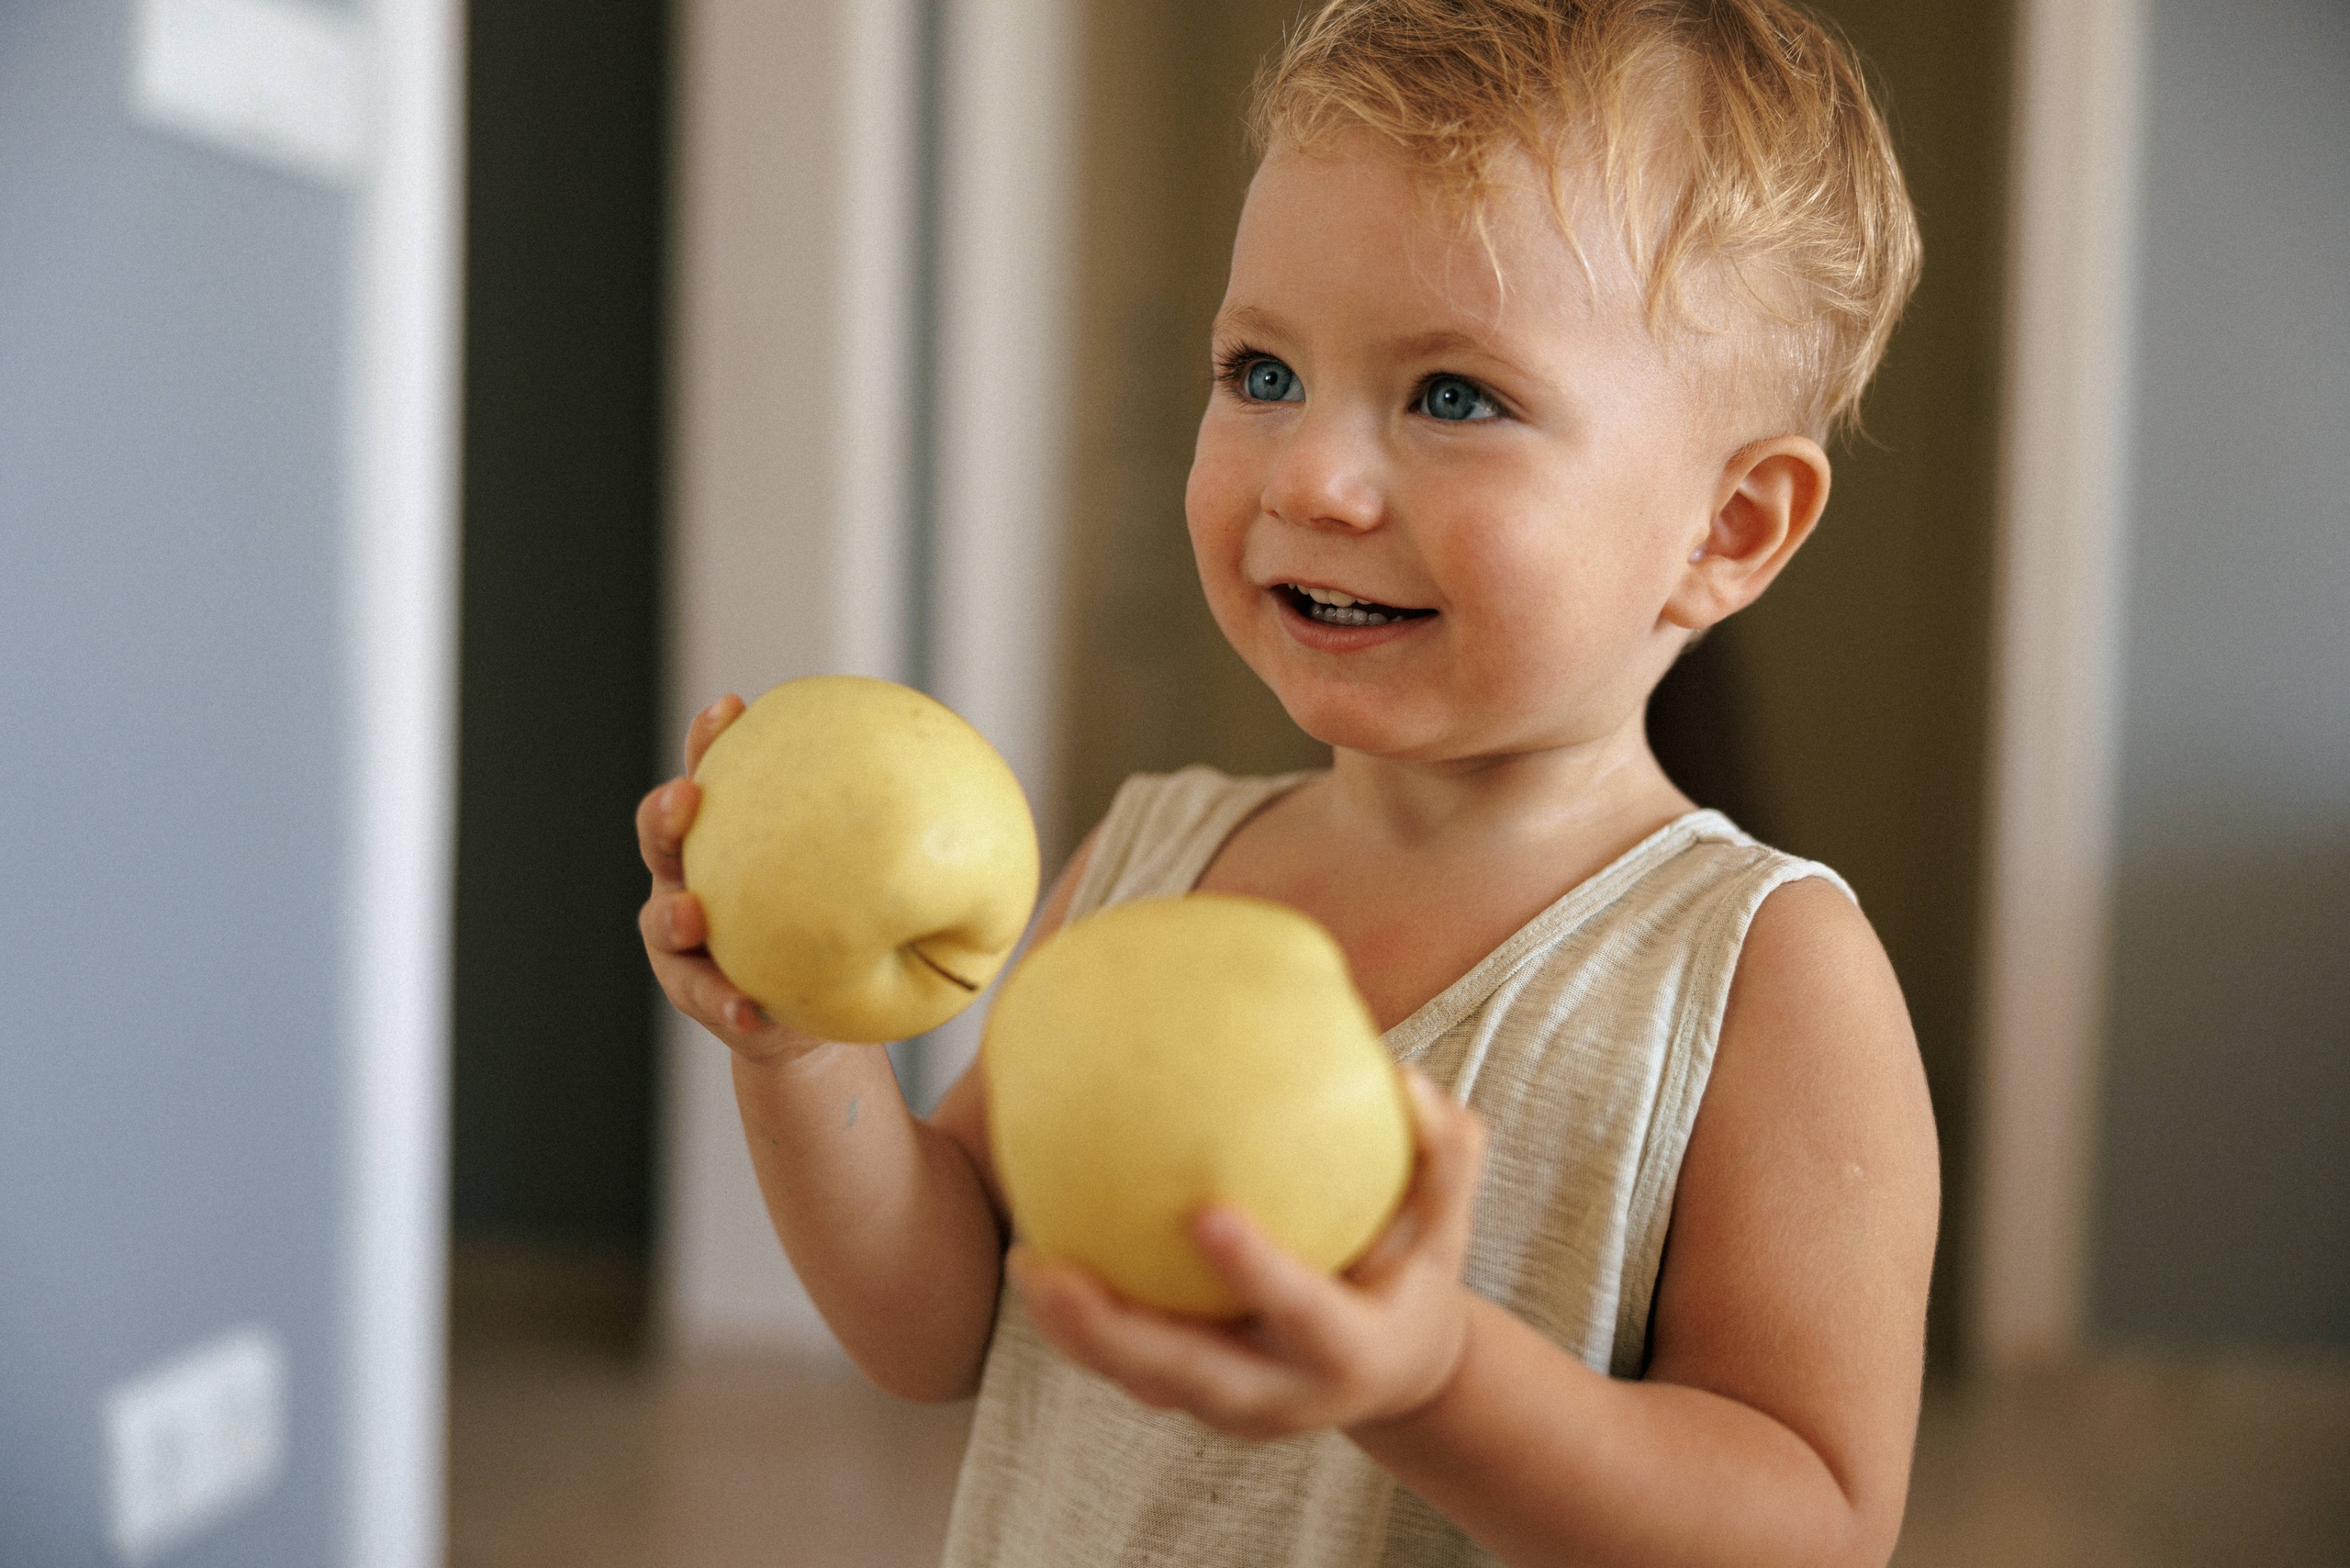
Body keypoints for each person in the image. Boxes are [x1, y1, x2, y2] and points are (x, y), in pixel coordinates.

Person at [636, 1, 1940, 1562]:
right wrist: (803, 1049)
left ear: (1728, 530)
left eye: (1454, 396)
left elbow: (1815, 1527)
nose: (1310, 477)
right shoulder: (1148, 860)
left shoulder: (1761, 978)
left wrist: (1431, 1375)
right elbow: (940, 1331)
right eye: (1261, 369)